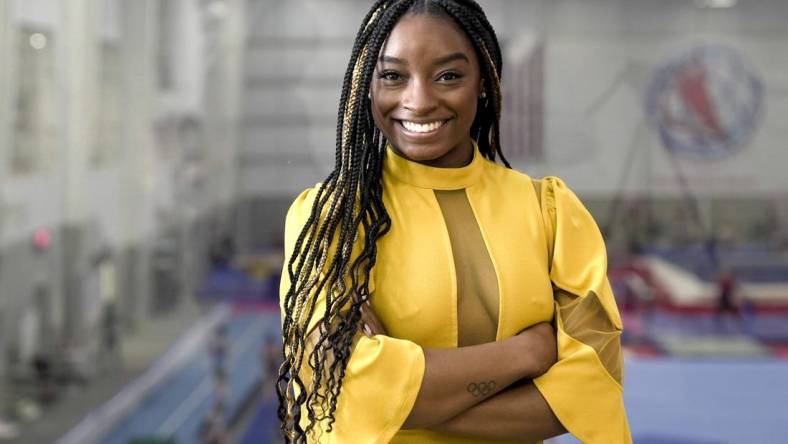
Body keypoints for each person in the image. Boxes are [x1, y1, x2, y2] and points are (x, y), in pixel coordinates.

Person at [277, 1, 631, 443]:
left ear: (482, 83)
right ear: (366, 85)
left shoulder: (550, 214)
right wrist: (525, 353)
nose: (419, 100)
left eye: (448, 76)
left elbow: (591, 391)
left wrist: (396, 400)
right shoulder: (331, 219)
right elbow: (334, 387)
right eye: (393, 76)